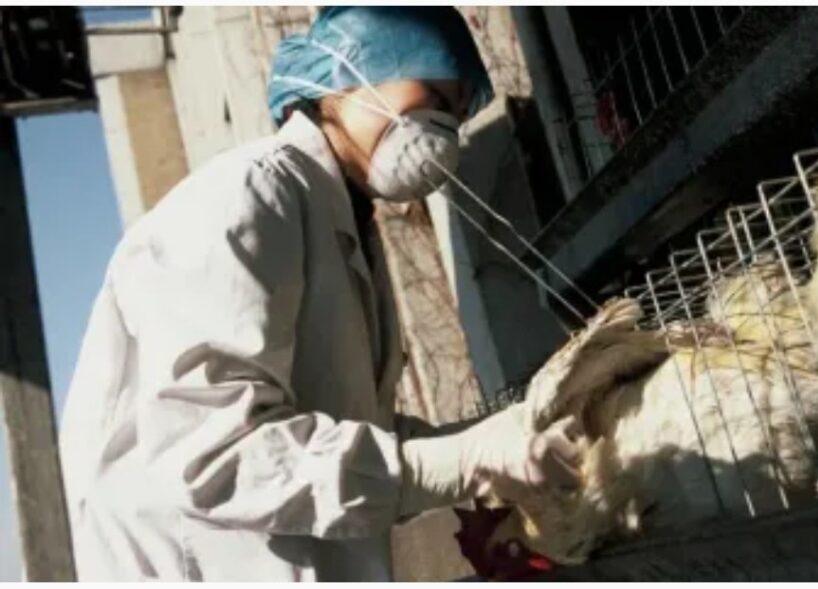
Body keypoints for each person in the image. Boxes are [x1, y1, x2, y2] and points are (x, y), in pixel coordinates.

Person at [58, 7, 627, 582]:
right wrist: (462, 459)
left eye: (454, 116)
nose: (441, 131)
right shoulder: (247, 196)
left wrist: (491, 442)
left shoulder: (339, 222)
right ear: (347, 73)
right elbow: (214, 456)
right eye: (431, 95)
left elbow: (348, 434)